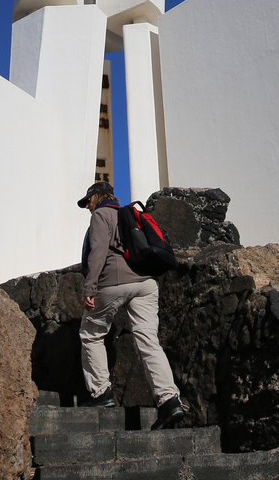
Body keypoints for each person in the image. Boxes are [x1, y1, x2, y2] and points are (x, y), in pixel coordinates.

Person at [75, 180, 186, 429]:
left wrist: (90, 287)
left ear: (97, 197)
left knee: (91, 335)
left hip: (112, 283)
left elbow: (98, 252)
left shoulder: (101, 215)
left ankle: (100, 393)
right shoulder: (130, 214)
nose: (87, 208)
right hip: (145, 283)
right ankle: (169, 401)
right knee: (148, 341)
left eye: (88, 202)